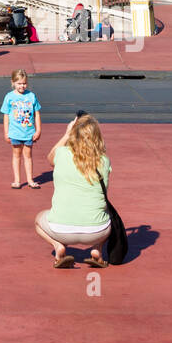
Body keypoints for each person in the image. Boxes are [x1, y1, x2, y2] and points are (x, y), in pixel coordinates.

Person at [35, 114, 112, 269]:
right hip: (96, 231)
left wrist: (67, 133)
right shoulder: (103, 160)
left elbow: (50, 158)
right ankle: (97, 250)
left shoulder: (62, 154)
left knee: (38, 219)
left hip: (60, 228)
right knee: (106, 213)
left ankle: (58, 246)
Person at [1, 68, 42, 189]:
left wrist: (38, 130)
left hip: (28, 132)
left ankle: (30, 179)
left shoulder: (31, 96)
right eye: (19, 83)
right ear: (13, 82)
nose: (22, 86)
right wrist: (6, 132)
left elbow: (37, 114)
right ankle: (17, 180)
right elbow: (6, 115)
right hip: (15, 132)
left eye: (24, 83)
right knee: (16, 155)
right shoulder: (9, 97)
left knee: (28, 155)